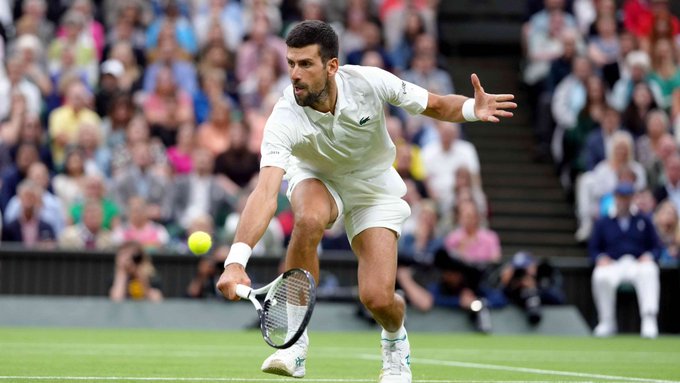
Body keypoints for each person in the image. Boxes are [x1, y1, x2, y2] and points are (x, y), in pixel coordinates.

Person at [216, 20, 515, 382]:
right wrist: (236, 260)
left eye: (305, 64)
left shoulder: (369, 81)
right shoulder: (284, 116)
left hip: (374, 188)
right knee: (309, 218)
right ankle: (295, 344)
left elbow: (434, 105)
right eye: (291, 63)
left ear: (331, 66)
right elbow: (264, 193)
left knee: (377, 299)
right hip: (318, 178)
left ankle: (395, 338)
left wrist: (471, 109)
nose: (295, 74)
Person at [589, 181, 661, 338]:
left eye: (627, 197)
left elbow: (656, 247)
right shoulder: (603, 222)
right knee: (600, 275)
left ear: (632, 198)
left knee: (650, 270)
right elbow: (593, 249)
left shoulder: (644, 220)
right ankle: (606, 321)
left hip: (637, 264)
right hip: (613, 264)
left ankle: (649, 320)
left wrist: (649, 256)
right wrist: (600, 258)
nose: (624, 201)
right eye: (621, 197)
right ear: (615, 198)